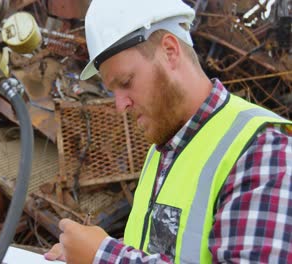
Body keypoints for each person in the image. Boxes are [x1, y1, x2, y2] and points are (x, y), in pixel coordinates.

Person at [43, 0, 292, 263]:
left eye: (126, 82)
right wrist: (92, 251)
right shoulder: (163, 151)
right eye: (112, 90)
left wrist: (104, 256)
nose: (120, 105)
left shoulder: (264, 152)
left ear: (170, 51)